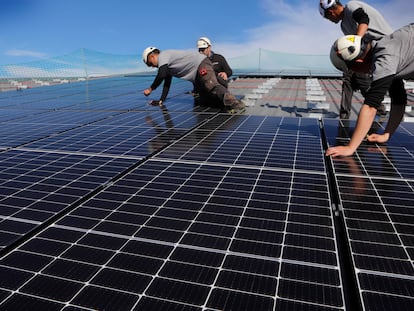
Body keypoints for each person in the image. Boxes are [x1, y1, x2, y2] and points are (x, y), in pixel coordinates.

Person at [326, 23, 414, 157]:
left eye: (351, 69)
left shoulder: (385, 61)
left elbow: (371, 107)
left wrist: (350, 148)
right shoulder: (383, 47)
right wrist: (386, 135)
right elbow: (399, 100)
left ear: (359, 62)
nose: (353, 73)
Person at [319, 0, 393, 119]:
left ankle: (380, 111)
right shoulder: (344, 26)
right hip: (373, 53)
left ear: (331, 12)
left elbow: (364, 19)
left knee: (380, 86)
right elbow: (359, 47)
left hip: (388, 46)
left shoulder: (351, 6)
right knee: (348, 79)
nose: (331, 21)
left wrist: (356, 43)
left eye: (328, 18)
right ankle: (344, 117)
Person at [142, 47, 244, 113]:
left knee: (211, 86)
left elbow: (161, 74)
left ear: (152, 56)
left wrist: (151, 89)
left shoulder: (163, 56)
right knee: (204, 99)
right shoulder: (167, 65)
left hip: (200, 64)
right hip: (196, 75)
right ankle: (224, 104)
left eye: (150, 63)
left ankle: (234, 103)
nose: (152, 66)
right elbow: (166, 81)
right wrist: (161, 100)